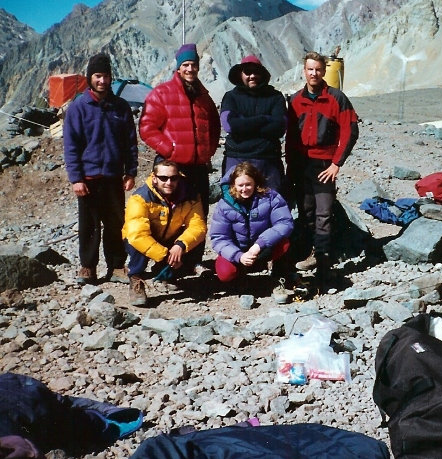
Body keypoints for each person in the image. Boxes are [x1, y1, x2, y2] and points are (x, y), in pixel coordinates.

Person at [139, 43, 220, 274]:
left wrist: (209, 150)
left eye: (194, 64)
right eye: (185, 64)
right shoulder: (162, 93)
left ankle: (192, 262)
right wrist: (170, 150)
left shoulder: (203, 95)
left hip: (198, 167)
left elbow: (214, 125)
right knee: (169, 216)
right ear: (178, 68)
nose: (190, 69)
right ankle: (165, 263)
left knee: (198, 214)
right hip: (172, 168)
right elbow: (147, 128)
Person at [63, 52, 138, 285]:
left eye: (106, 76)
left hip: (114, 176)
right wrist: (76, 178)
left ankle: (116, 266)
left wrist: (131, 171)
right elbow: (71, 146)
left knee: (116, 223)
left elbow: (130, 142)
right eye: (97, 76)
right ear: (89, 78)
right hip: (88, 177)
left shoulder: (121, 107)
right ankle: (88, 267)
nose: (102, 81)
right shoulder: (78, 107)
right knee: (89, 224)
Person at [286, 51, 359, 284]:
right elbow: (290, 136)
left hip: (324, 164)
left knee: (324, 213)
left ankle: (324, 260)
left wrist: (337, 163)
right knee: (306, 212)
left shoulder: (337, 98)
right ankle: (309, 253)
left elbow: (351, 130)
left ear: (324, 71)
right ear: (304, 71)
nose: (314, 73)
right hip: (300, 164)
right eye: (310, 69)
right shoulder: (296, 100)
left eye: (318, 69)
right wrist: (291, 166)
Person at [122, 159, 207, 306]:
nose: (169, 182)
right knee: (138, 245)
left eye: (173, 178)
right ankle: (136, 279)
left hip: (171, 237)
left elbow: (197, 226)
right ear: (154, 178)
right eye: (163, 178)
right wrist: (165, 255)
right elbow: (138, 234)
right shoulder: (140, 197)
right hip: (144, 238)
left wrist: (180, 245)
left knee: (193, 240)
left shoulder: (190, 196)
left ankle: (167, 274)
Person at [209, 162, 294, 284]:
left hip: (262, 248)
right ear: (233, 185)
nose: (244, 189)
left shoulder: (270, 197)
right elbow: (219, 237)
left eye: (248, 184)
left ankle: (279, 275)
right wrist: (239, 256)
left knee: (284, 243)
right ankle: (240, 278)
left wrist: (259, 245)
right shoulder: (224, 205)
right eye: (240, 185)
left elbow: (284, 223)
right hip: (238, 250)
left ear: (255, 182)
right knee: (225, 272)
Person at [220, 55, 287, 192]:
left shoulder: (275, 96)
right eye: (248, 72)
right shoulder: (231, 97)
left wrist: (244, 123)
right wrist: (264, 119)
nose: (252, 76)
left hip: (267, 160)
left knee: (271, 203)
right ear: (240, 74)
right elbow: (230, 125)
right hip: (236, 158)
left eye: (256, 72)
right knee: (235, 203)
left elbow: (280, 127)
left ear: (262, 74)